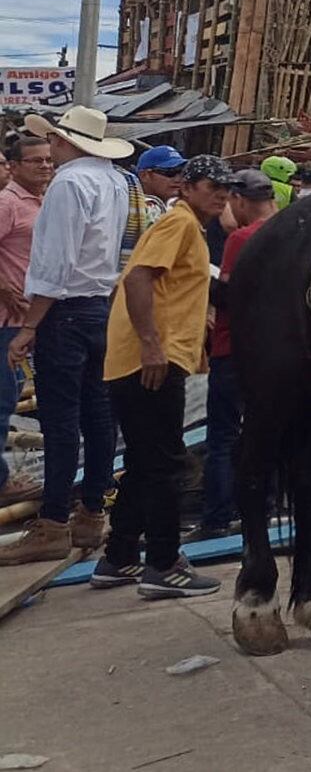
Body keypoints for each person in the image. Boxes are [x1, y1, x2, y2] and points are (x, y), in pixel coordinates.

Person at [86, 155, 234, 599]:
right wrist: (152, 344)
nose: (221, 194)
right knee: (168, 462)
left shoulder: (190, 226)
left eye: (225, 188)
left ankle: (120, 557)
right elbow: (137, 281)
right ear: (187, 188)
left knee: (147, 461)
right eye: (212, 186)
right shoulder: (180, 224)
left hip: (145, 359)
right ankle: (165, 564)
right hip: (149, 360)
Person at [0, 109, 132, 566]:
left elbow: (54, 265)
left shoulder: (69, 184)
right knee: (98, 417)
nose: (49, 152)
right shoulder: (115, 180)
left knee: (60, 423)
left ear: (64, 141)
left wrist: (31, 325)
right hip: (98, 306)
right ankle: (91, 513)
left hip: (66, 313)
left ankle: (53, 522)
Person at [190, 168, 277, 541]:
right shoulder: (291, 230)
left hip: (234, 347)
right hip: (276, 351)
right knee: (267, 432)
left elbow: (229, 294)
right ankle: (266, 508)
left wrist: (197, 281)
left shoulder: (242, 239)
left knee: (223, 437)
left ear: (240, 201)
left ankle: (217, 517)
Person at [0, 135, 52, 506]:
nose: (45, 166)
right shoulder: (7, 203)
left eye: (48, 159)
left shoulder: (46, 201)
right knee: (2, 401)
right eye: (35, 161)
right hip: (6, 320)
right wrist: (4, 288)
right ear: (14, 167)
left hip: (32, 318)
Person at [134, 144, 187, 223]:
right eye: (170, 172)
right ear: (144, 175)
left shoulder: (180, 209)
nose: (178, 179)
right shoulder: (134, 209)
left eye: (182, 172)